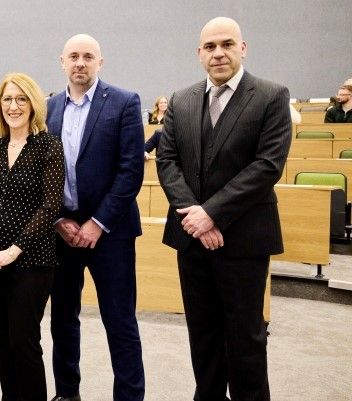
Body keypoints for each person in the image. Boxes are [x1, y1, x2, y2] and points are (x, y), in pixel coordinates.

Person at [156, 17, 292, 401]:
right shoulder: (181, 99)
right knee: (203, 333)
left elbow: (267, 165)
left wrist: (211, 213)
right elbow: (167, 161)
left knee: (246, 337)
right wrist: (195, 216)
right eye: (210, 47)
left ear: (242, 48)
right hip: (191, 239)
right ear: (199, 53)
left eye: (227, 44)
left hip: (245, 240)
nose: (218, 53)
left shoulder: (270, 95)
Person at [46, 34, 146, 401]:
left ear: (100, 62)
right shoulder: (50, 107)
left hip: (111, 234)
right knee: (62, 320)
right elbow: (44, 171)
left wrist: (97, 223)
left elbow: (131, 170)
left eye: (88, 56)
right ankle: (66, 393)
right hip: (62, 232)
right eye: (73, 56)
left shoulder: (123, 102)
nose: (80, 63)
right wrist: (57, 219)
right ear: (62, 61)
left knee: (119, 322)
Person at [0, 72, 64, 401]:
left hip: (33, 260)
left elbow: (51, 205)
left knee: (24, 340)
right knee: (2, 340)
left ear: (33, 104)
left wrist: (14, 249)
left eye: (21, 98)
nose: (14, 105)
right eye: (8, 99)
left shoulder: (48, 147)